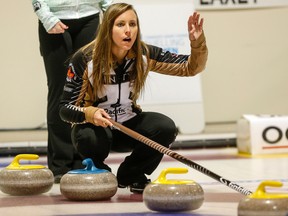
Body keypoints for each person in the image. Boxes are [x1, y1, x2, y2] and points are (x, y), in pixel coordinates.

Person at [59, 2, 208, 193]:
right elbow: (64, 109)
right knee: (88, 136)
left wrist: (197, 43)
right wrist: (90, 113)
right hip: (97, 129)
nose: (128, 31)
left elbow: (190, 68)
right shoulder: (84, 58)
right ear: (108, 29)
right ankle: (99, 171)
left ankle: (132, 174)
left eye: (133, 24)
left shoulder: (144, 53)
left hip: (127, 126)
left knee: (165, 127)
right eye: (120, 25)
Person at [31, 0, 113, 183]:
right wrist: (46, 17)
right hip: (54, 19)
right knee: (59, 91)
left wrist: (111, 13)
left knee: (86, 91)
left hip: (90, 17)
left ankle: (84, 158)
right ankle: (60, 163)